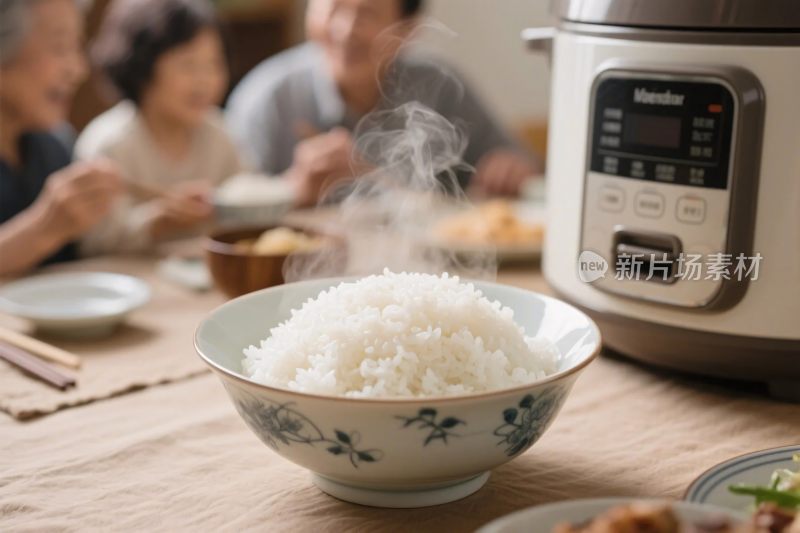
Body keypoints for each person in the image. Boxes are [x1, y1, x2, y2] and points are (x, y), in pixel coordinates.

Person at [226, 0, 540, 206]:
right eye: (333, 6)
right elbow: (225, 209)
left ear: (408, 30)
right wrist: (292, 190)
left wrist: (511, 168)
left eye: (367, 14)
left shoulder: (440, 87)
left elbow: (523, 164)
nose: (345, 30)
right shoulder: (266, 98)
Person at [76, 0, 243, 254]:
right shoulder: (109, 144)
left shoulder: (219, 132)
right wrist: (155, 221)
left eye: (214, 64)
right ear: (143, 66)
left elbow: (246, 200)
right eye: (188, 65)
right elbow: (93, 243)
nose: (205, 80)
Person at [0, 0, 122, 277]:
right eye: (60, 47)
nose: (78, 69)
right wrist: (42, 229)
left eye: (77, 47)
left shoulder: (54, 145)